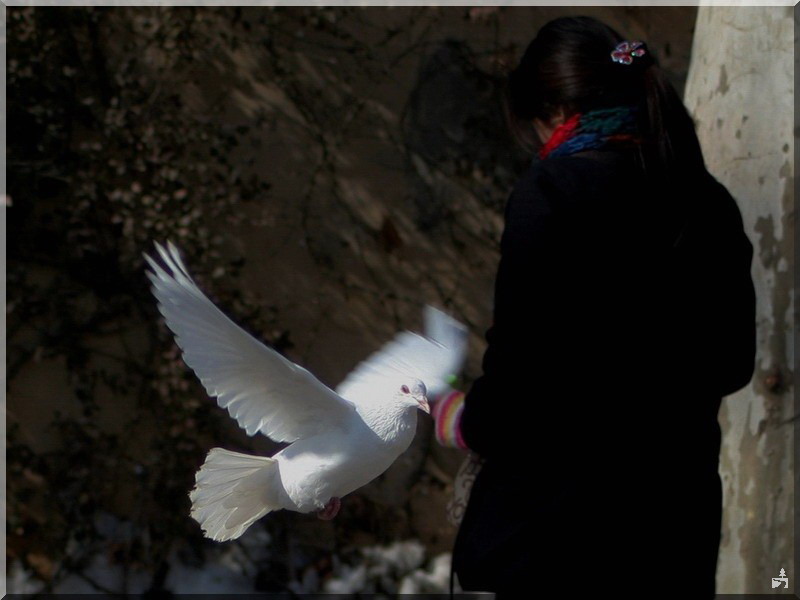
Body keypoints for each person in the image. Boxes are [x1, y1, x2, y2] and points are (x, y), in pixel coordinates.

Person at [430, 16, 756, 598]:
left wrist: (462, 418)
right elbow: (733, 364)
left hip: (561, 543)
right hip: (672, 539)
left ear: (553, 111)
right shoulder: (709, 202)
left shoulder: (553, 192)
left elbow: (519, 387)